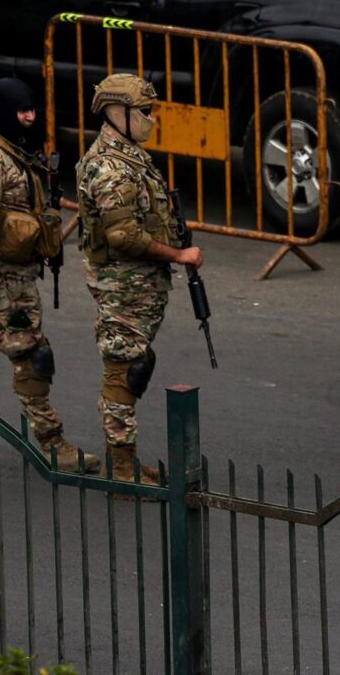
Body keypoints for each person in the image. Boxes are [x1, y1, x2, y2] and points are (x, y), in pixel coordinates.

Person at [0, 78, 98, 471]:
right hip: (2, 277)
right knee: (30, 354)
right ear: (3, 110)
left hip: (3, 274)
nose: (29, 117)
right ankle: (51, 444)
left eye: (32, 109)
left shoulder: (7, 145)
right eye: (21, 110)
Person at [75, 74, 203, 484]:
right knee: (122, 374)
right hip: (122, 288)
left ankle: (125, 462)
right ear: (118, 113)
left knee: (133, 367)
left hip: (137, 287)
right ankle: (123, 471)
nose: (151, 119)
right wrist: (178, 253)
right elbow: (123, 236)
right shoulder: (111, 168)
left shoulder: (129, 155)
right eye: (145, 112)